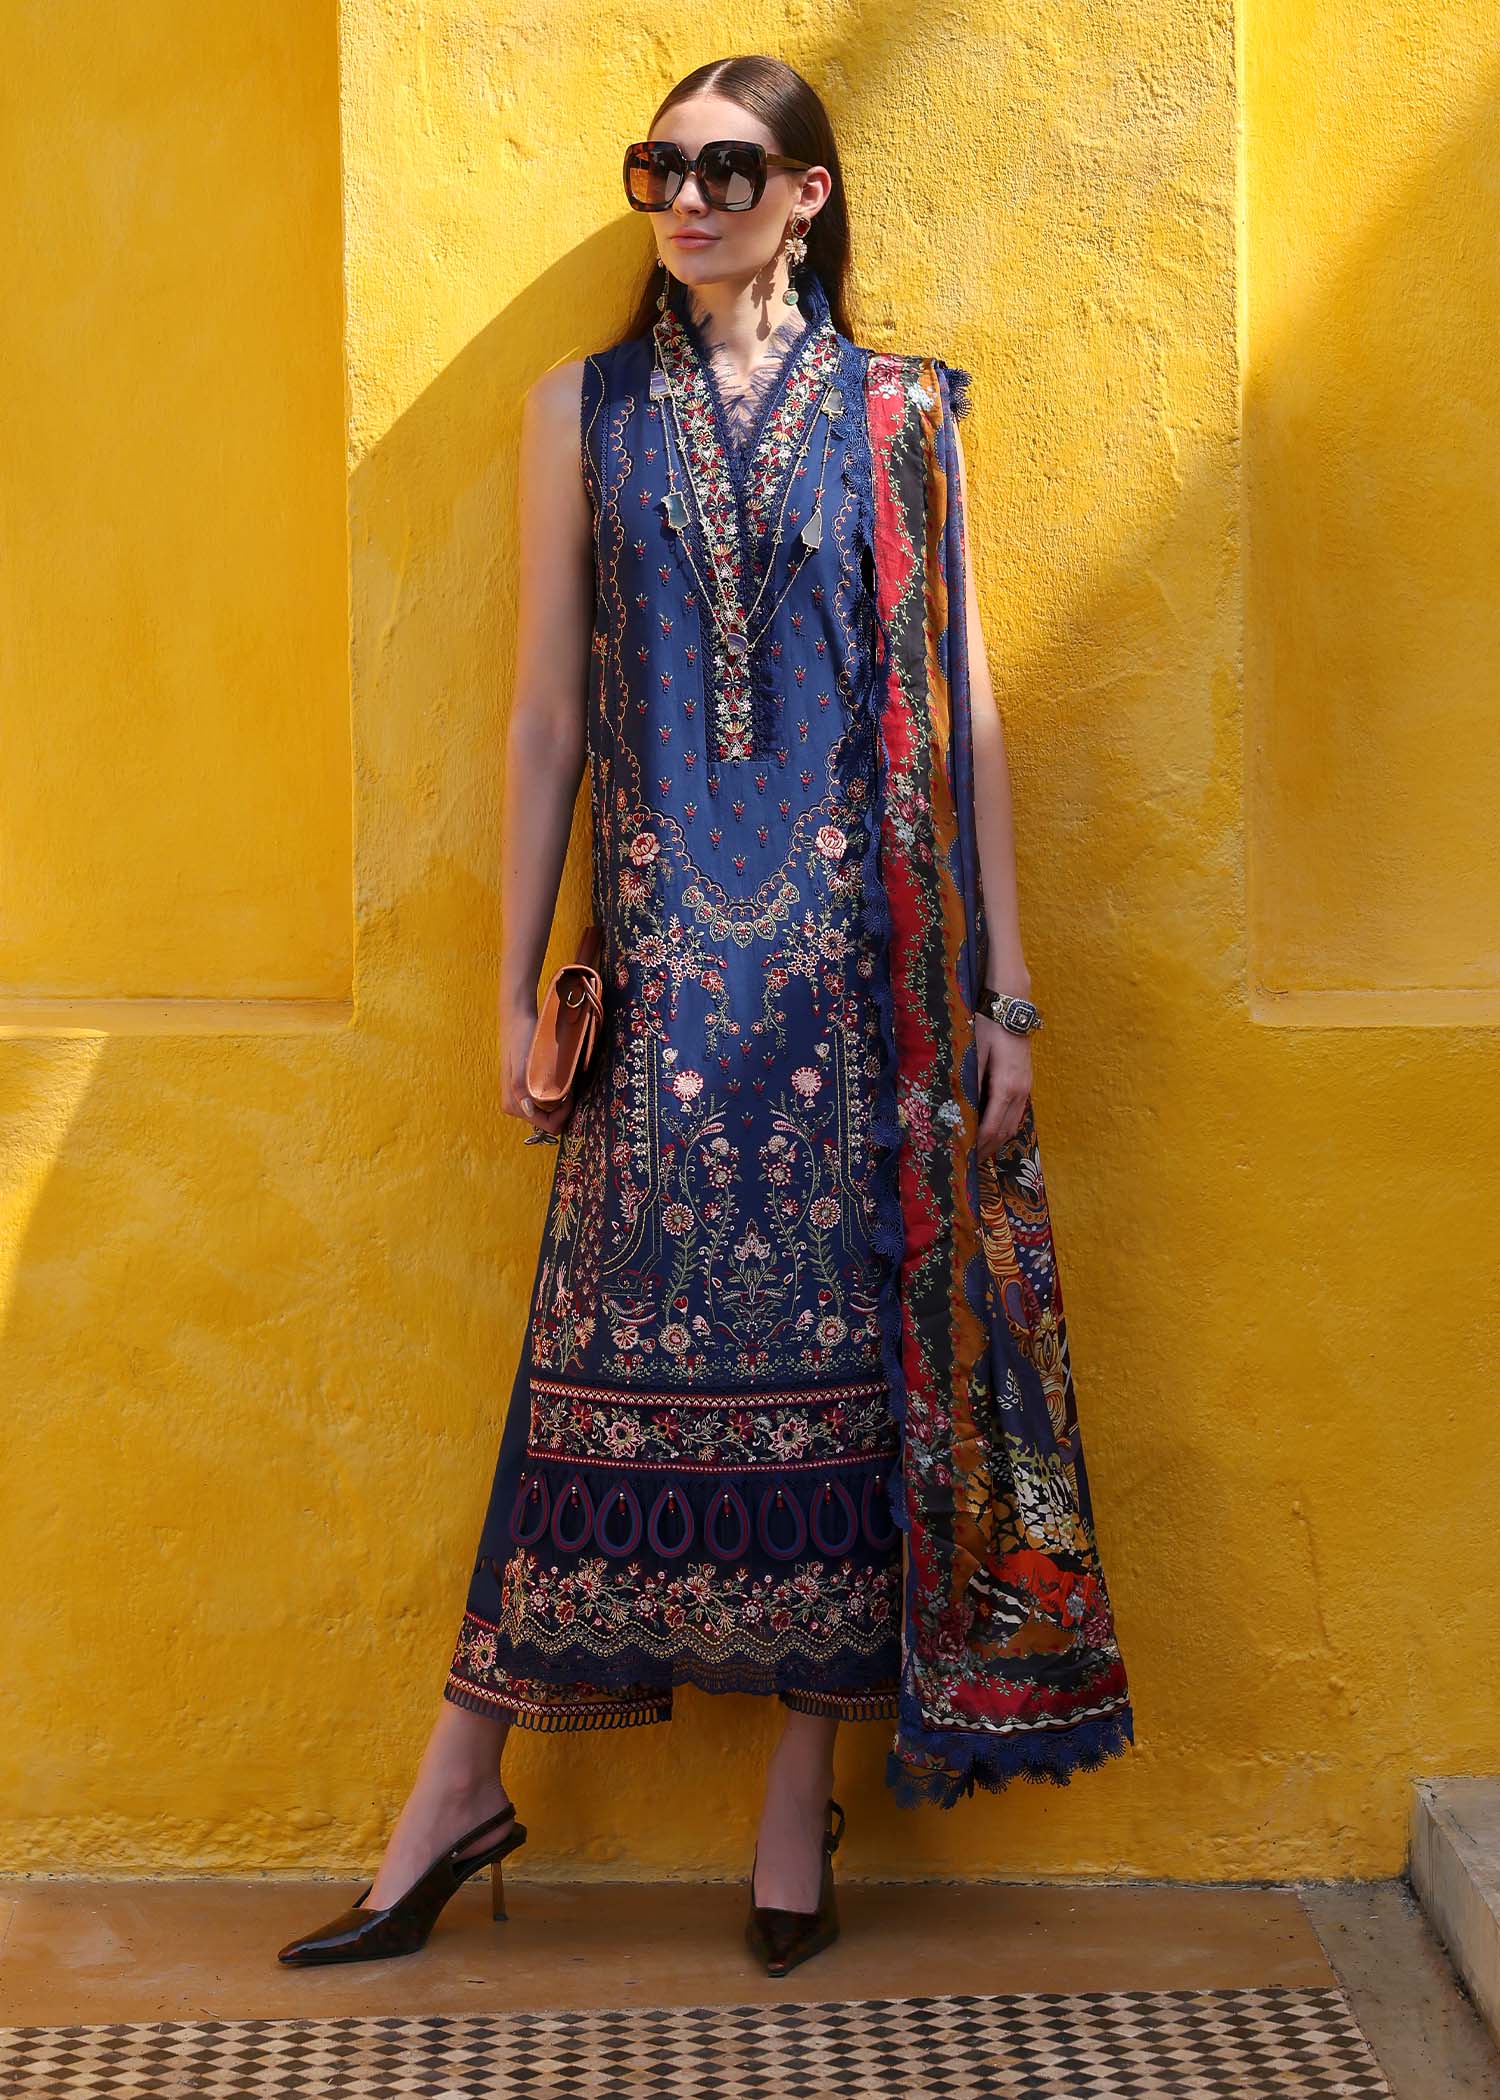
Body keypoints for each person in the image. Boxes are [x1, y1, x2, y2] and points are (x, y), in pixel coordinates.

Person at [278, 52, 1133, 1981]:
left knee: (860, 1397)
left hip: (868, 990)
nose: (683, 198)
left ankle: (790, 1800)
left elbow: (969, 708)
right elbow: (546, 719)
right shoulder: (579, 413)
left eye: (727, 169)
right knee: (582, 1378)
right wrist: (513, 983)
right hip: (664, 987)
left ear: (806, 194)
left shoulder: (904, 416)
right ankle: (455, 1787)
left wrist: (1008, 988)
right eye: (657, 168)